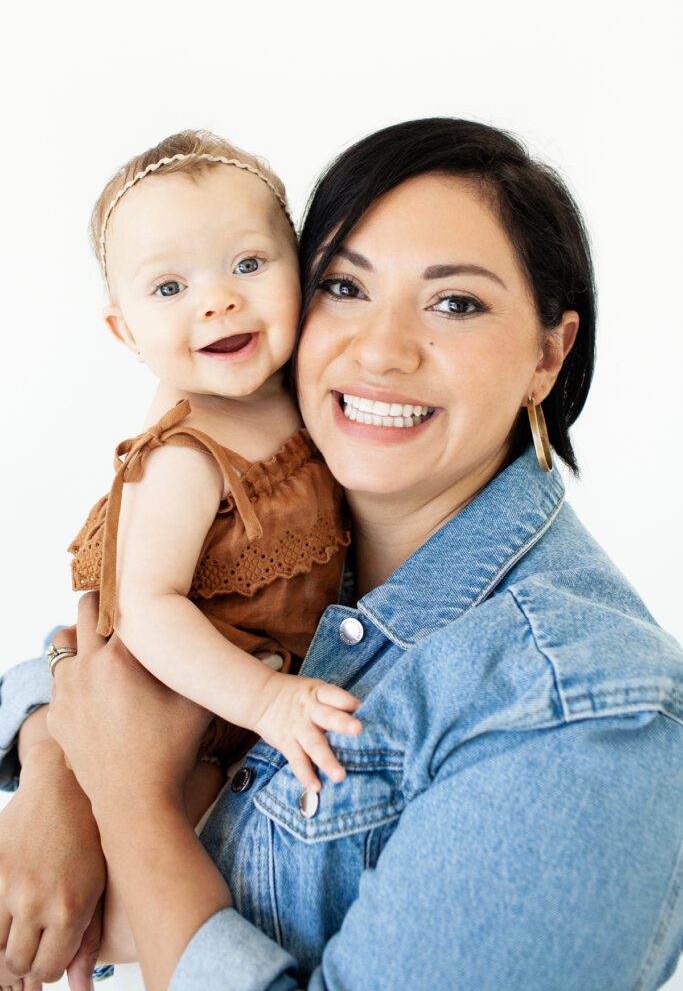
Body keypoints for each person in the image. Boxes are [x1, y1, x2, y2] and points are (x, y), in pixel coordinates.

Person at [2, 117, 683, 991]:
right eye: (343, 286)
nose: (380, 349)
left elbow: (121, 711)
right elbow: (106, 635)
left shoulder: (582, 716)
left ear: (547, 356)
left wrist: (130, 807)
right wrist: (56, 761)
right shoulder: (286, 515)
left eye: (455, 302)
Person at [0, 128, 363, 986]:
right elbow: (151, 607)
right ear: (125, 329)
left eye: (247, 265)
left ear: (301, 270)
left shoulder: (302, 402)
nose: (217, 303)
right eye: (171, 286)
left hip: (227, 725)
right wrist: (265, 698)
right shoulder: (183, 455)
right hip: (181, 714)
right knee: (147, 881)